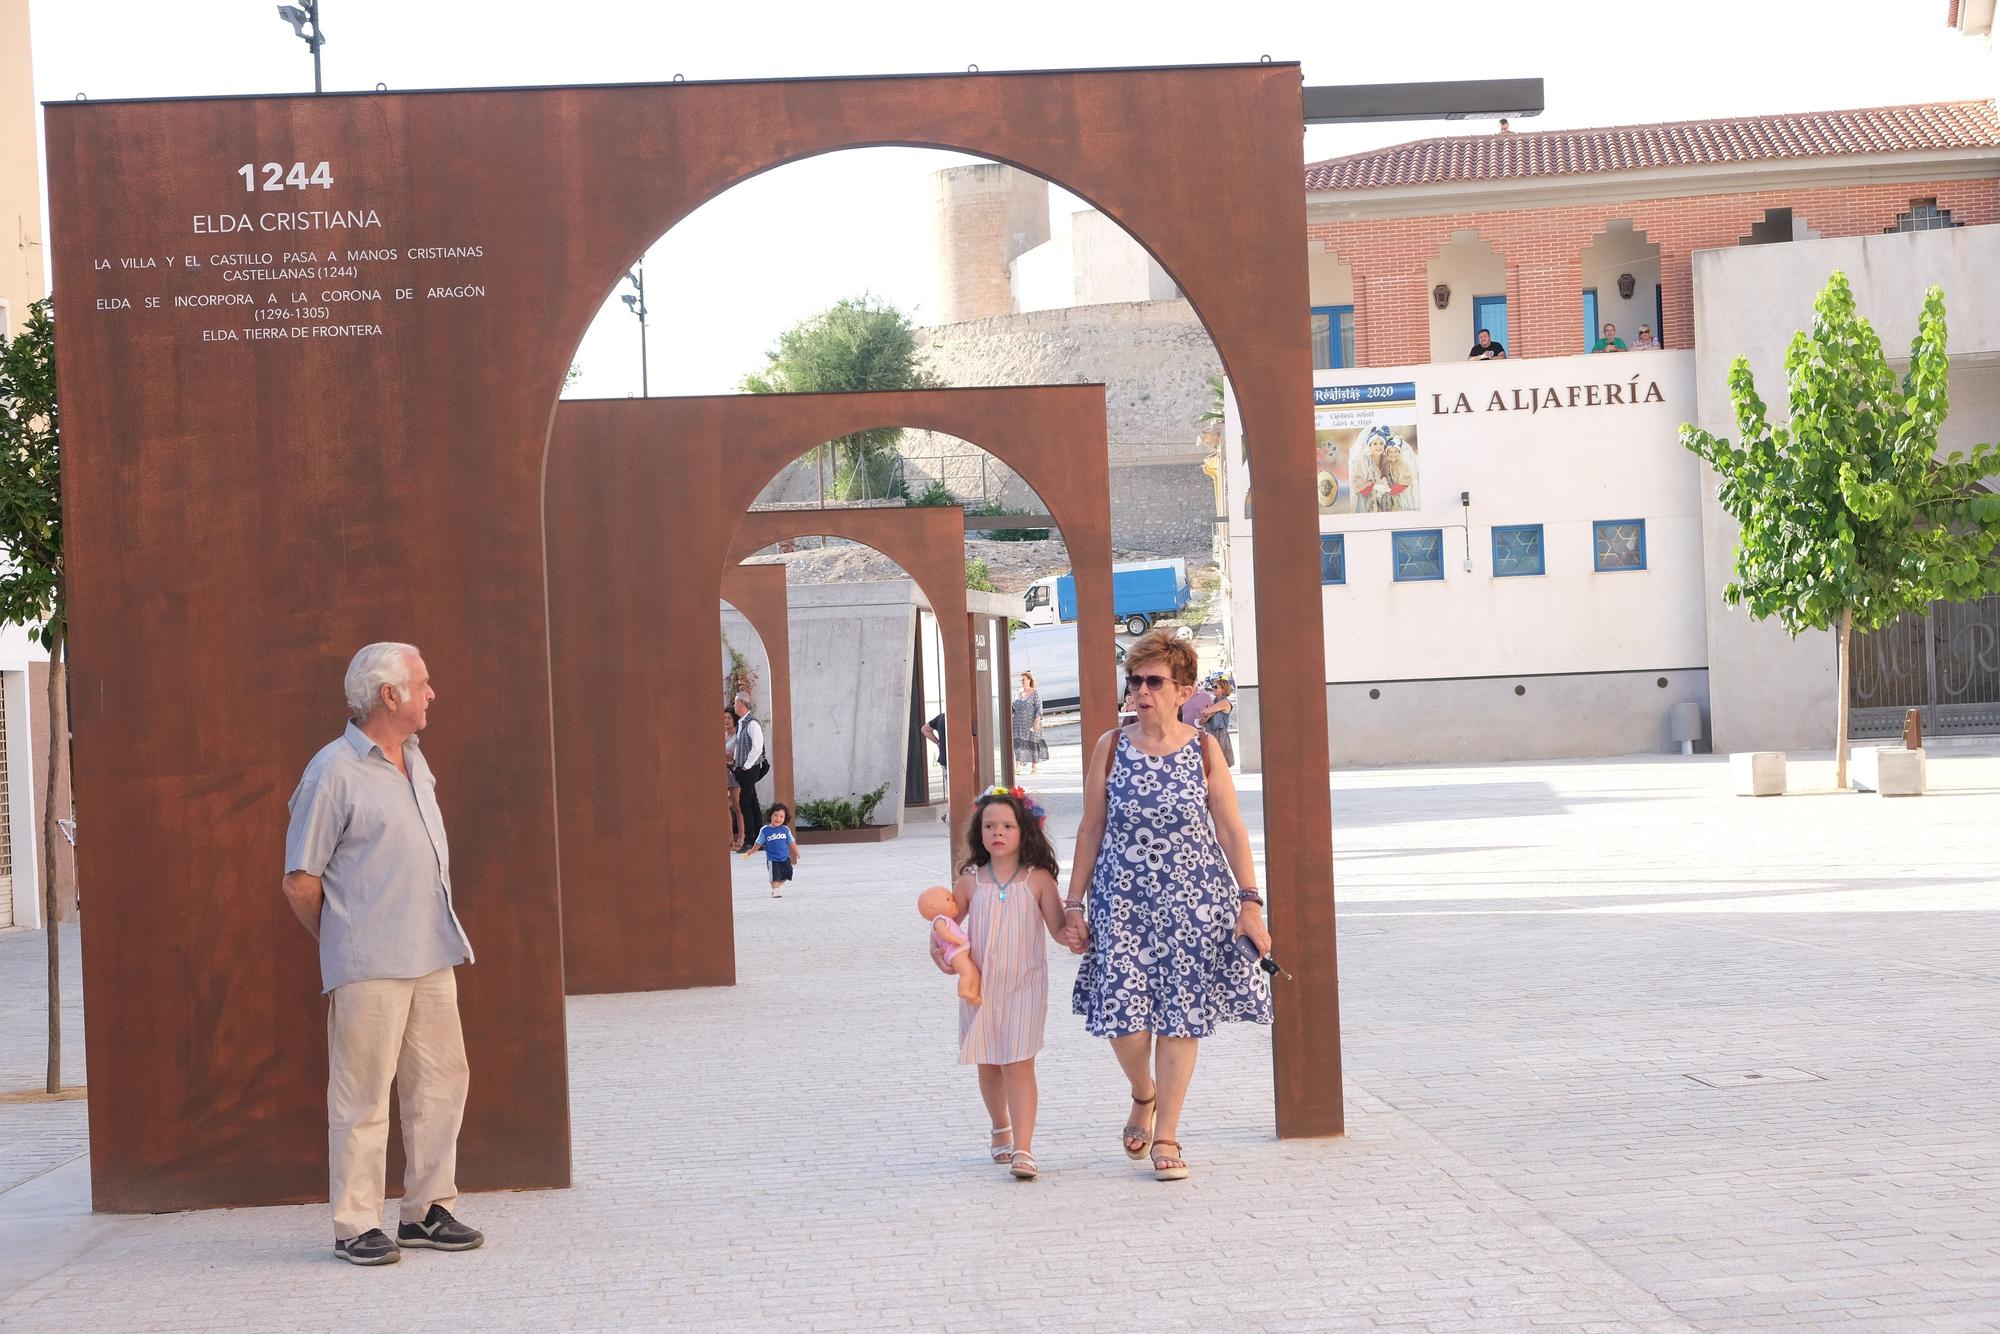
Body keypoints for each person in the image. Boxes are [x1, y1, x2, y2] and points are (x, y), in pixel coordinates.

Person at [281, 642, 484, 1266]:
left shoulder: (414, 760)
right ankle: (355, 1225)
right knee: (362, 1096)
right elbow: (300, 881)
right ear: (387, 696)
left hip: (432, 952)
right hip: (369, 964)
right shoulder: (332, 772)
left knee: (441, 1085)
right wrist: (344, 940)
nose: (432, 693)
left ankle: (425, 1211)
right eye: (421, 684)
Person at [1064, 628, 1272, 1183]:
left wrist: (1250, 902)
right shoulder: (1110, 746)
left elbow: (1231, 828)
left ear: (1183, 689)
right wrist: (1073, 903)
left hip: (1194, 904)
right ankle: (1143, 1092)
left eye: (1153, 681)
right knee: (1124, 1022)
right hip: (1121, 905)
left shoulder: (1204, 749)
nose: (1140, 690)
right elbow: (1090, 828)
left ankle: (1168, 1134)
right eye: (1134, 680)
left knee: (1180, 1021)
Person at [933, 788, 1067, 1181]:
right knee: (989, 1062)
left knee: (1019, 1062)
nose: (998, 832)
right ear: (979, 832)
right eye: (990, 825)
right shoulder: (971, 880)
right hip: (980, 988)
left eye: (1008, 825)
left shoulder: (1038, 879)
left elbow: (1058, 929)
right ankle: (1000, 1126)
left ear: (1025, 830)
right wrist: (939, 953)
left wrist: (1077, 934)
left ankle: (1024, 1147)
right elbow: (946, 926)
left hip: (1025, 986)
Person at [730, 692, 766, 851]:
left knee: (745, 802)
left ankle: (750, 839)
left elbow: (757, 747)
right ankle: (761, 838)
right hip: (743, 768)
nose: (733, 706)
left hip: (750, 768)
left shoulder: (752, 723)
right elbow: (739, 745)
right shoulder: (742, 723)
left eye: (735, 703)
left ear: (741, 704)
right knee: (752, 801)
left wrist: (746, 766)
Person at [742, 803, 799, 897]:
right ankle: (775, 890)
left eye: (781, 816)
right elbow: (758, 843)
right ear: (770, 815)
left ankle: (779, 883)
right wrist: (751, 851)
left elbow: (791, 841)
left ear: (785, 818)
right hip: (772, 859)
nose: (778, 819)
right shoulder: (765, 830)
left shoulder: (785, 829)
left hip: (785, 858)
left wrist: (796, 852)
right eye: (775, 815)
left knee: (788, 873)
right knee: (774, 876)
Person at [1011, 672, 1046, 775]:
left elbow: (1039, 708)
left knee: (1033, 744)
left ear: (1029, 680)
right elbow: (1013, 707)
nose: (1022, 682)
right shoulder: (1017, 693)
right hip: (1017, 723)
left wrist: (1037, 721)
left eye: (1024, 679)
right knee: (1017, 744)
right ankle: (1017, 768)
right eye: (1020, 680)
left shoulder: (1035, 693)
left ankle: (1034, 767)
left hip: (1031, 723)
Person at [1199, 677, 1237, 769]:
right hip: (1210, 733)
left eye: (1216, 687)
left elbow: (1205, 711)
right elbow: (1201, 721)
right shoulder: (1214, 702)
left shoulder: (1224, 702)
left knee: (1220, 764)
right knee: (1210, 764)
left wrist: (1210, 712)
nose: (1213, 688)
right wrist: (1211, 712)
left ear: (1223, 689)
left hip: (1220, 734)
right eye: (1212, 686)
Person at [724, 709, 745, 851]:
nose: (726, 721)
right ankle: (729, 839)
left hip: (734, 774)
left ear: (734, 720)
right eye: (724, 718)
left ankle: (741, 838)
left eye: (729, 718)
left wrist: (727, 756)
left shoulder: (738, 736)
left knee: (738, 806)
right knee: (725, 807)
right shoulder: (721, 735)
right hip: (722, 773)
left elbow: (733, 756)